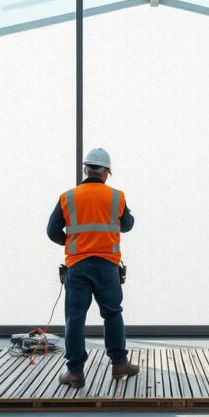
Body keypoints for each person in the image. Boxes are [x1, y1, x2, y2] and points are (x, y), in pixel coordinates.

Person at [46, 147, 140, 388]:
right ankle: (119, 364)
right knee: (112, 313)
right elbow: (127, 225)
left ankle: (75, 373)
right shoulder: (117, 197)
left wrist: (72, 243)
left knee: (75, 318)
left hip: (77, 267)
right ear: (106, 172)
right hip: (107, 266)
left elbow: (52, 231)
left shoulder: (67, 197)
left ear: (85, 169)